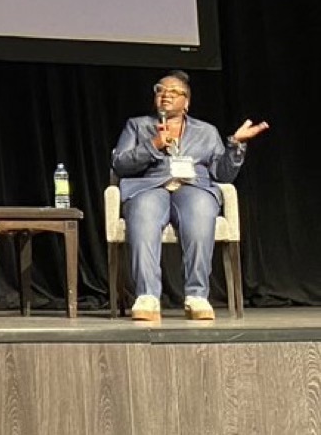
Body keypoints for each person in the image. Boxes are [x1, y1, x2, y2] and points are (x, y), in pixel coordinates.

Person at [112, 70, 268, 321]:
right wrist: (153, 145)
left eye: (175, 92)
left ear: (187, 103)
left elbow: (222, 174)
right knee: (143, 215)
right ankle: (147, 297)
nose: (166, 96)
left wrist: (236, 144)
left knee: (199, 216)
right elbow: (120, 164)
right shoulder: (137, 125)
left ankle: (196, 296)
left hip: (193, 186)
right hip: (149, 187)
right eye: (160, 90)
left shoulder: (206, 131)